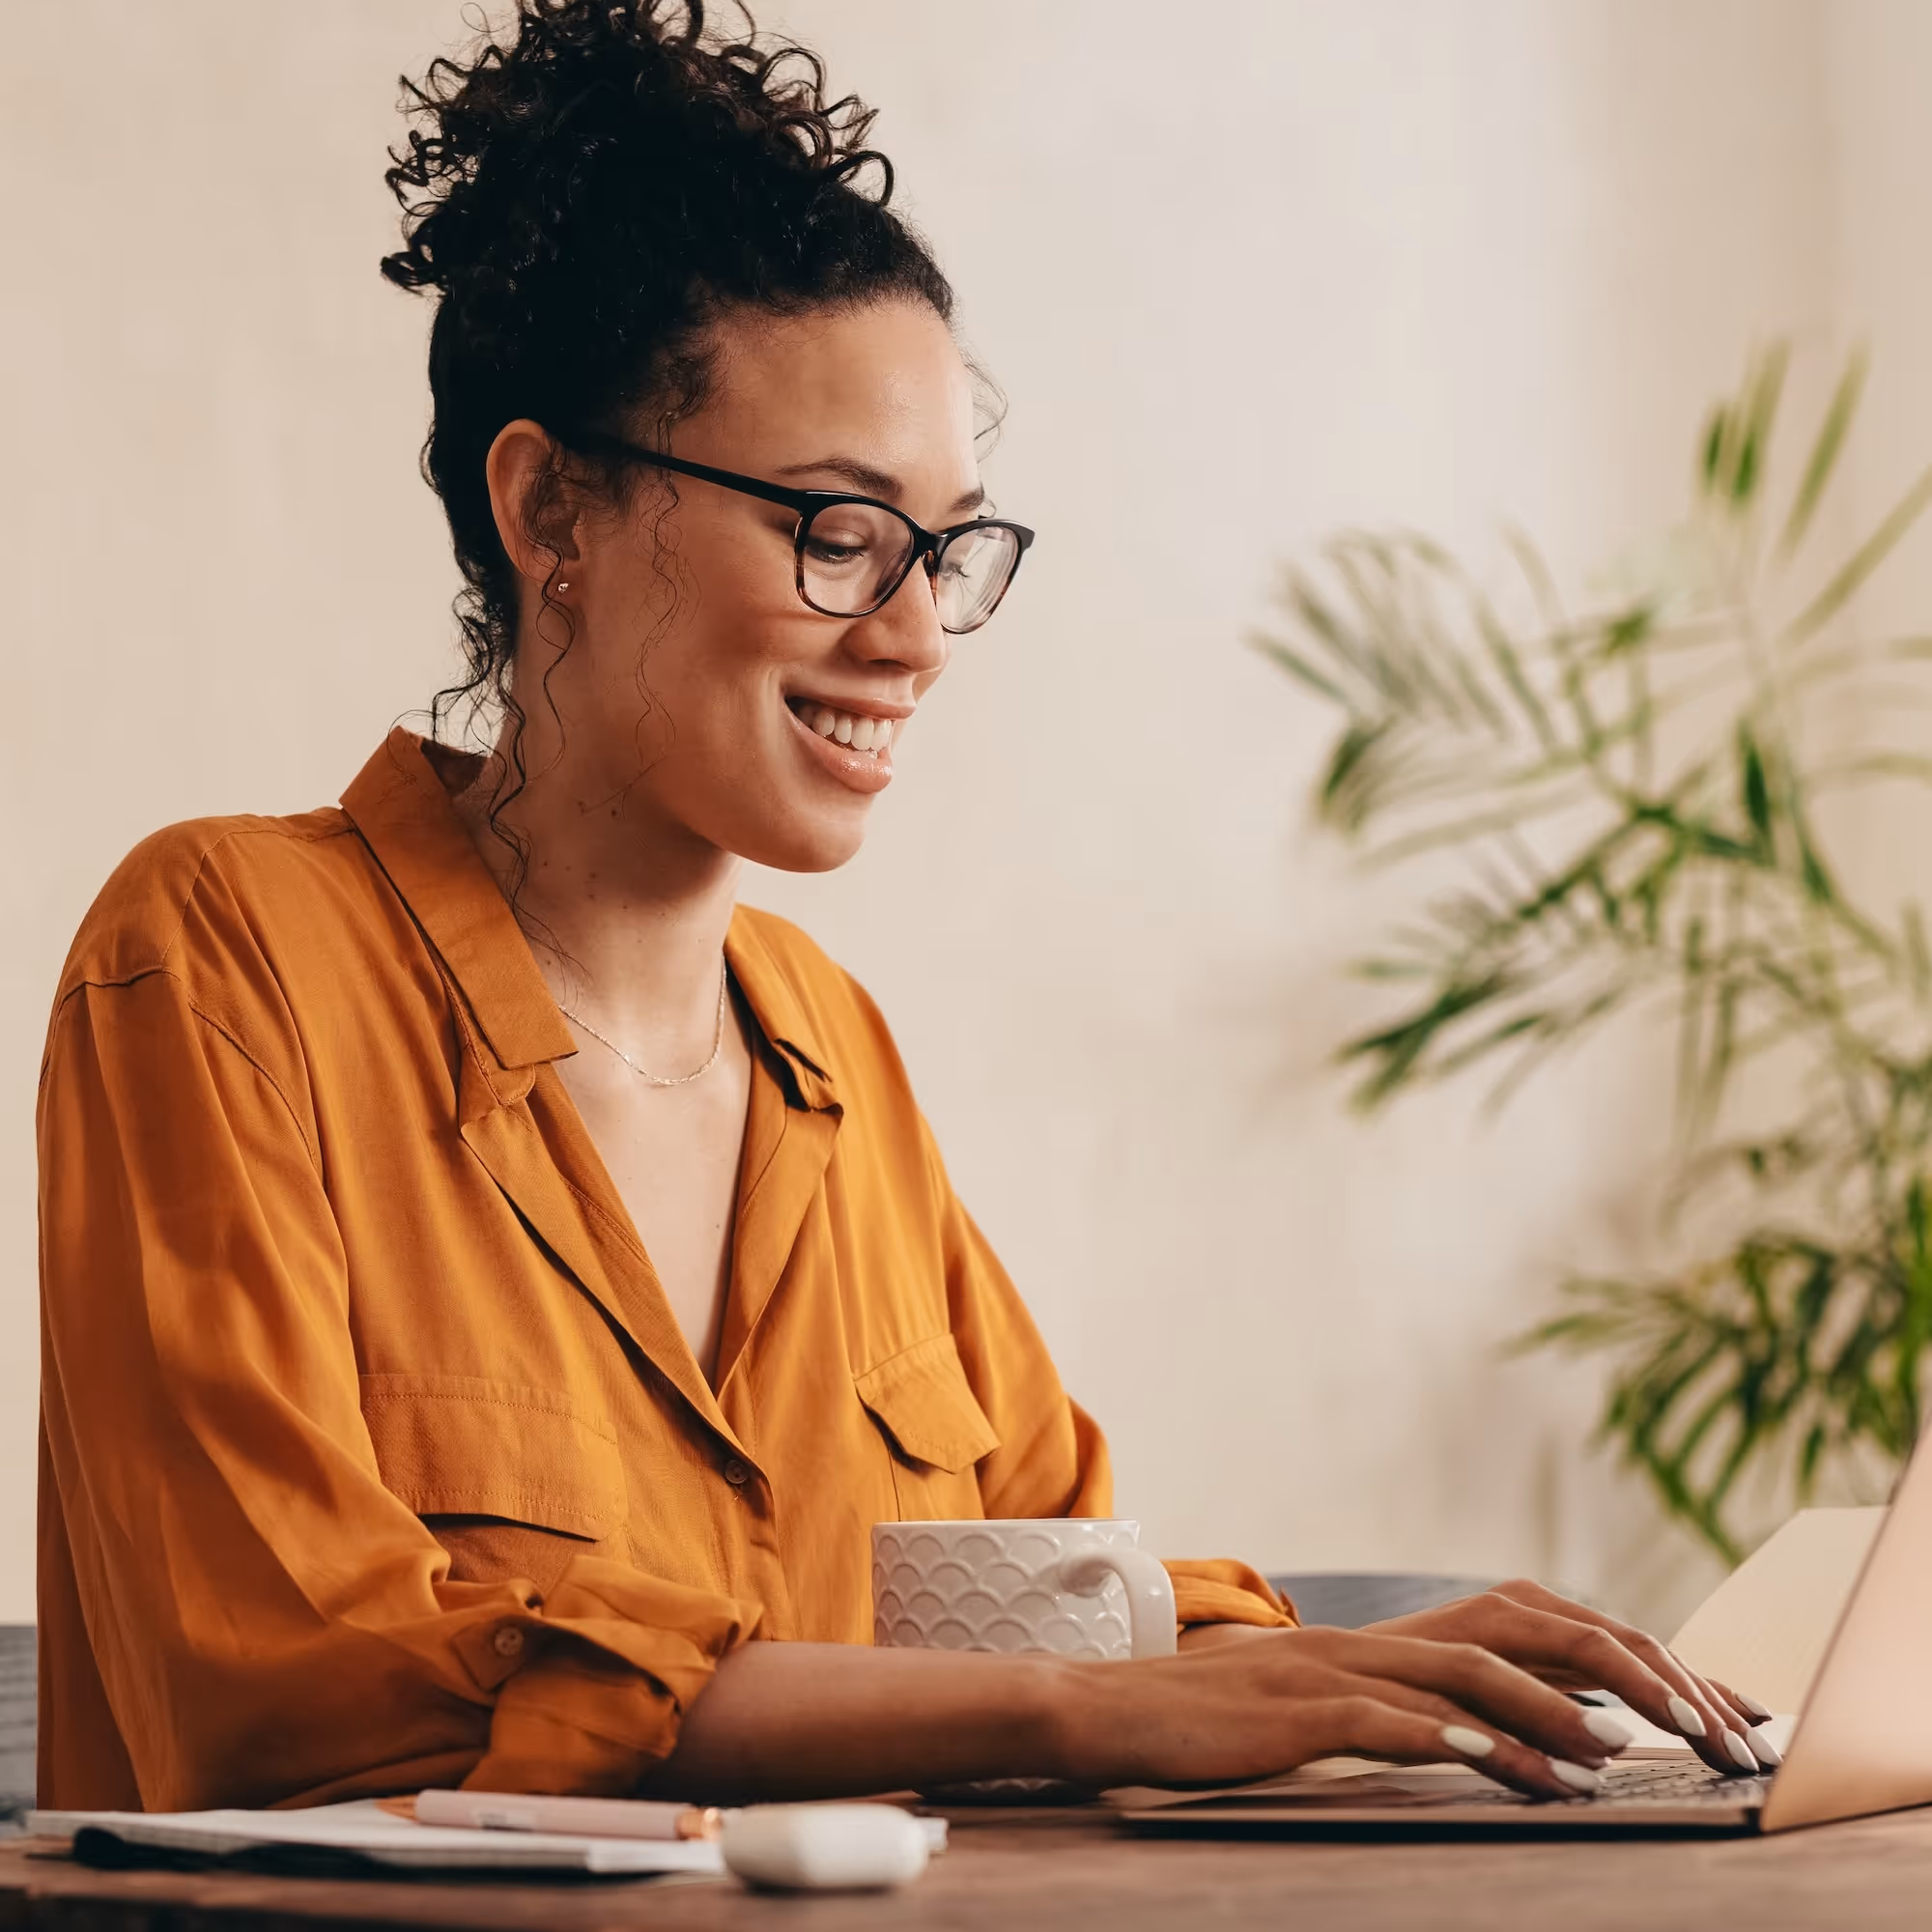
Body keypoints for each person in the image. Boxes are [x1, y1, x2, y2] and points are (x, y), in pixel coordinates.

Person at [36, 0, 1776, 1813]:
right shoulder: (220, 957)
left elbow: (1052, 1596)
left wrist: (1357, 1660)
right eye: (838, 532)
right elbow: (306, 1695)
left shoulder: (827, 1052)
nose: (918, 631)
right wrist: (1073, 1716)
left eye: (949, 548)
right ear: (552, 506)